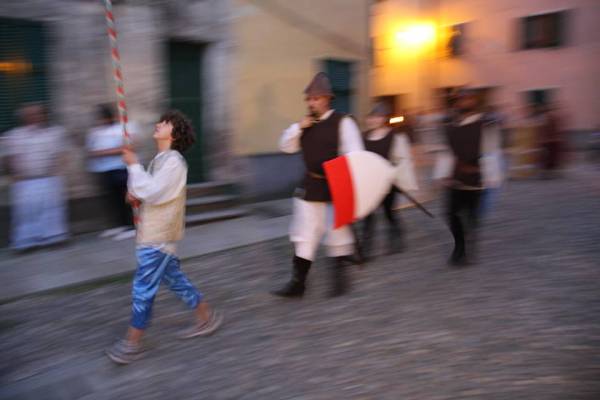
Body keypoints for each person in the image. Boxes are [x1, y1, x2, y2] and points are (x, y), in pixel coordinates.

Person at [106, 110, 222, 365]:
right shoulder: (160, 160)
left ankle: (132, 343)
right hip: (156, 233)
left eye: (165, 122)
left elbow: (154, 191)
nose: (159, 123)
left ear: (175, 132)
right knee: (176, 281)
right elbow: (150, 190)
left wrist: (133, 165)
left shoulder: (174, 162)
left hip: (157, 238)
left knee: (143, 289)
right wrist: (135, 193)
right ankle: (206, 317)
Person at [272, 72, 364, 298]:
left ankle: (339, 281)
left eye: (315, 98)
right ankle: (298, 284)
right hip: (310, 184)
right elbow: (285, 146)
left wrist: (345, 179)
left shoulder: (343, 122)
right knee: (304, 234)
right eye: (309, 99)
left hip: (337, 185)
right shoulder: (305, 125)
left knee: (338, 233)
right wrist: (299, 127)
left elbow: (356, 154)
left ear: (326, 98)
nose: (311, 102)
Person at [433, 89, 503, 266]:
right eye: (460, 100)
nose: (463, 103)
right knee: (450, 214)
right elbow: (446, 152)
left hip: (475, 176)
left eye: (467, 99)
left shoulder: (485, 125)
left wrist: (491, 176)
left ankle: (468, 247)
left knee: (472, 217)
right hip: (455, 177)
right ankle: (460, 246)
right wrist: (441, 174)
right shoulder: (450, 127)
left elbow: (491, 151)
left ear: (474, 102)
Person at [2, 103, 69, 251]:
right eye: (30, 114)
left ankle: (54, 238)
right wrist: (14, 174)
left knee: (51, 210)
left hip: (48, 178)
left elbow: (61, 154)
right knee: (27, 212)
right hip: (25, 181)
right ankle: (27, 242)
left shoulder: (53, 133)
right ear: (24, 117)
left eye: (38, 114)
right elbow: (8, 157)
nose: (35, 117)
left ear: (43, 115)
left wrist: (58, 171)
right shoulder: (14, 135)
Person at [361, 102, 418, 260]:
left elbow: (402, 160)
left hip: (387, 184)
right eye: (372, 117)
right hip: (370, 184)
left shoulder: (395, 137)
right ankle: (366, 250)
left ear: (383, 119)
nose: (374, 120)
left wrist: (393, 175)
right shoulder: (363, 137)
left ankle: (397, 237)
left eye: (377, 117)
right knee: (368, 217)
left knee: (389, 214)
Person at [86, 104, 135, 240]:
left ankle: (131, 226)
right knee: (111, 199)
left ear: (109, 117)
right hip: (103, 170)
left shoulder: (124, 128)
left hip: (120, 168)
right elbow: (90, 150)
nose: (100, 120)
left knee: (125, 199)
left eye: (102, 117)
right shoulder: (95, 132)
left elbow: (128, 147)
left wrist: (102, 153)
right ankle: (119, 225)